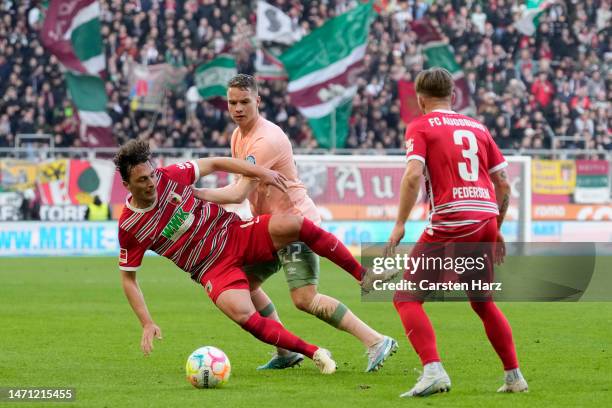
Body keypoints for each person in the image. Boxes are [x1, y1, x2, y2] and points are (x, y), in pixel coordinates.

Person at [114, 139, 384, 374]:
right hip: (209, 269)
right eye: (142, 180)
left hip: (234, 233)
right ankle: (313, 352)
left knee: (293, 225)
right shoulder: (130, 228)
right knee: (244, 314)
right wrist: (147, 322)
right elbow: (128, 279)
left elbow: (216, 163)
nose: (151, 183)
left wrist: (260, 172)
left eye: (151, 175)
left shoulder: (169, 176)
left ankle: (363, 276)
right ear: (127, 185)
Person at [192, 74, 398, 372]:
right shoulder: (239, 136)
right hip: (269, 227)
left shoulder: (265, 140)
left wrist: (196, 193)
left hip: (294, 225)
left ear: (258, 101)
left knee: (304, 298)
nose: (237, 108)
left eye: (244, 102)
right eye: (232, 102)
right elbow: (241, 190)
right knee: (243, 284)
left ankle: (376, 340)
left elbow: (238, 192)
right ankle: (286, 352)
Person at [385, 68, 528, 397]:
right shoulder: (477, 127)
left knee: (406, 298)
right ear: (453, 96)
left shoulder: (420, 126)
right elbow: (503, 183)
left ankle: (433, 370)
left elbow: (412, 177)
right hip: (485, 219)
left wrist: (400, 222)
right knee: (483, 302)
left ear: (421, 99)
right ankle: (514, 376)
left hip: (452, 221)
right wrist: (497, 229)